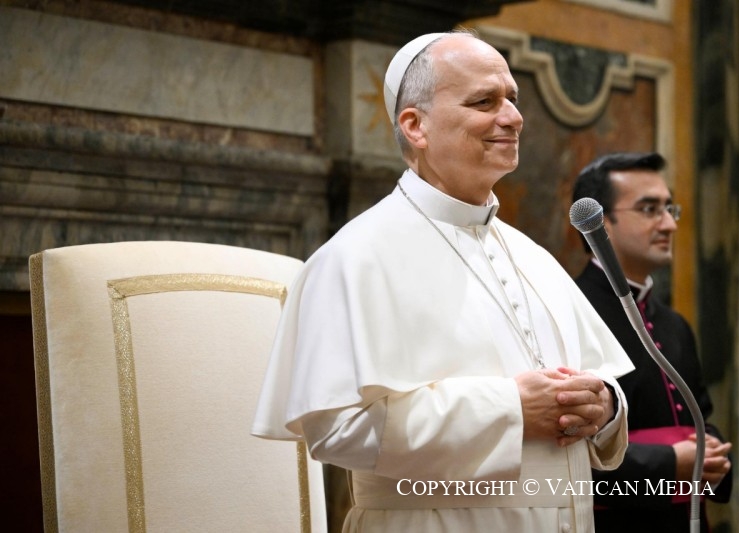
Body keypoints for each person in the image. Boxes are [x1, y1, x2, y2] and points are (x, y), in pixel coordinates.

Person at [252, 30, 635, 532]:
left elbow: (595, 387)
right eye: (484, 101)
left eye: (513, 100)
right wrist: (510, 408)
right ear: (415, 125)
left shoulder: (532, 256)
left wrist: (604, 407)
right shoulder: (355, 257)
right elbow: (337, 429)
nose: (514, 117)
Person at [571, 152, 733, 533]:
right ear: (599, 222)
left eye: (669, 208)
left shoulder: (673, 323)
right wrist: (667, 463)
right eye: (649, 209)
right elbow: (563, 452)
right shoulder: (569, 312)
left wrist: (713, 457)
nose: (670, 224)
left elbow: (700, 418)